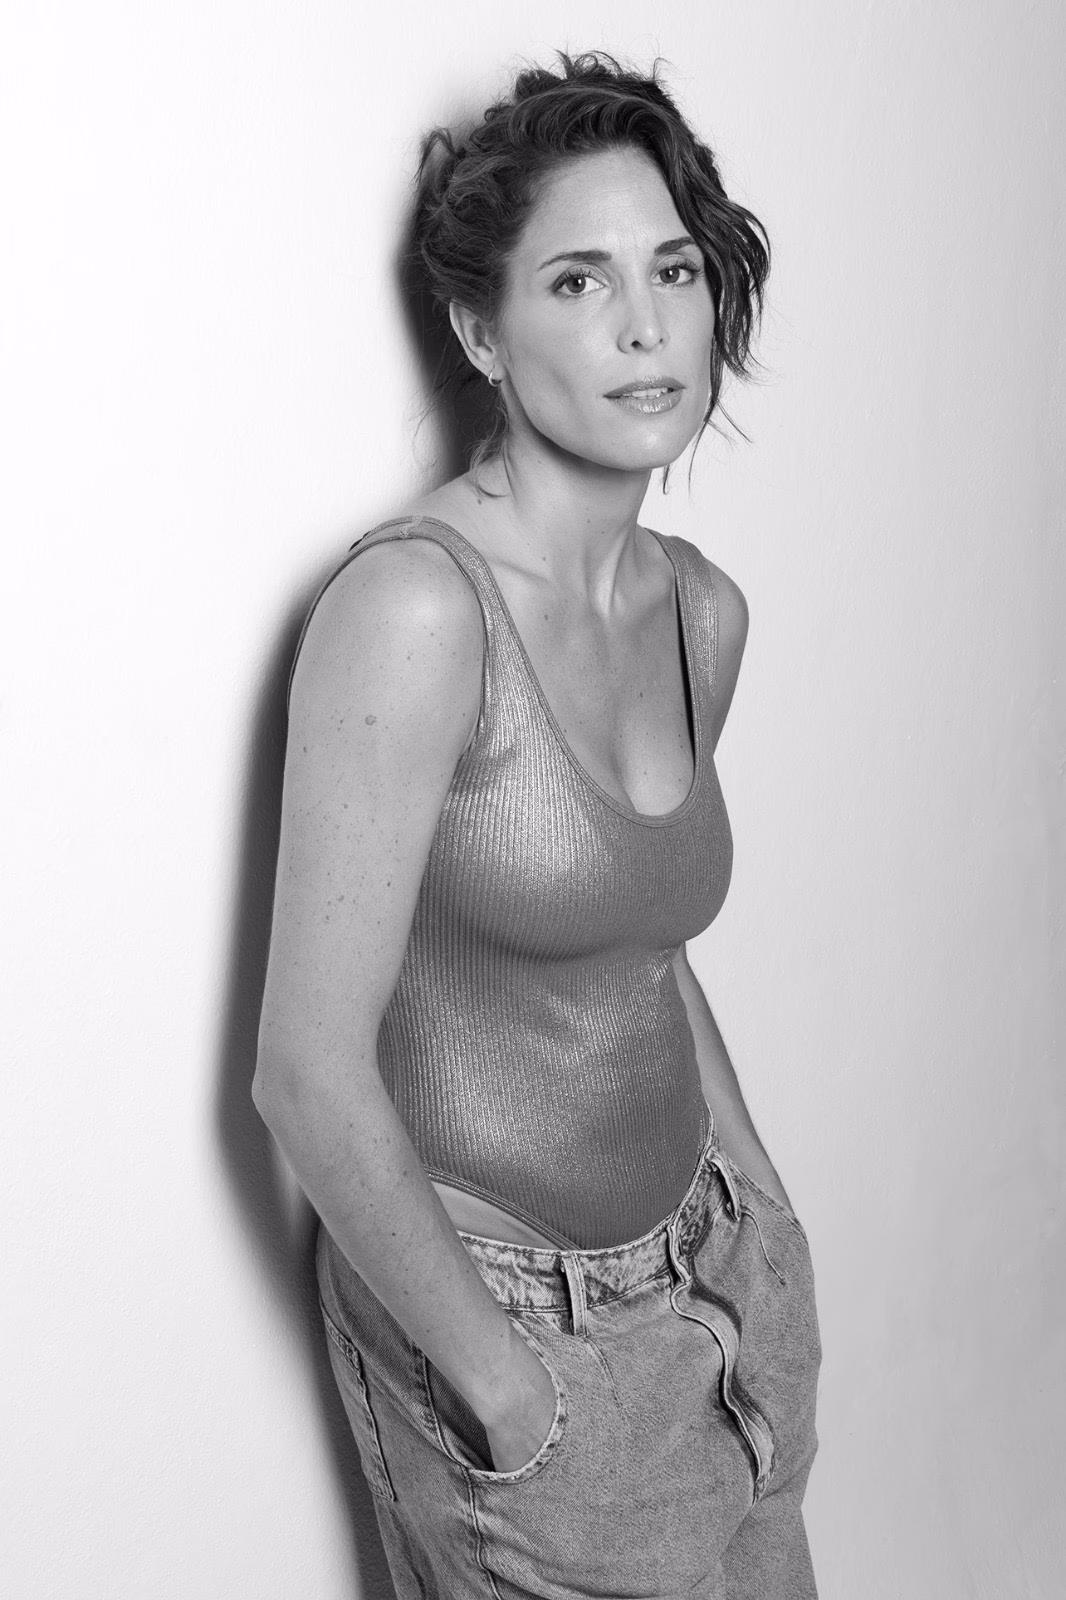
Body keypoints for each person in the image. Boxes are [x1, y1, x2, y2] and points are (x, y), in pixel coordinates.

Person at [253, 51, 821, 1600]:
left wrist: (768, 1225)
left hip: (715, 1291)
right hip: (513, 1328)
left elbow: (643, 948)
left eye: (674, 270)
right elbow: (305, 1072)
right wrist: (503, 1389)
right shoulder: (413, 611)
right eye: (578, 280)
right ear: (478, 332)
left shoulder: (700, 613)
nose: (646, 327)